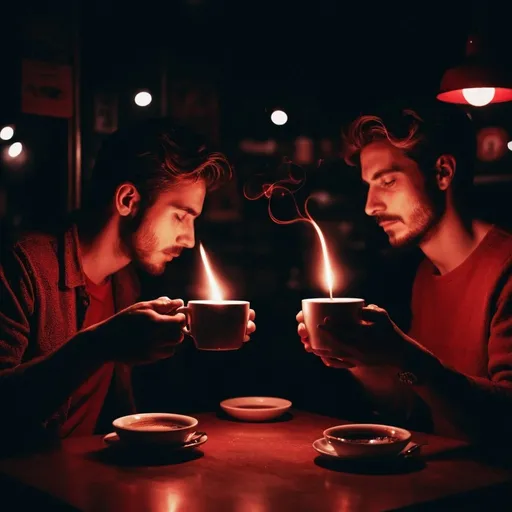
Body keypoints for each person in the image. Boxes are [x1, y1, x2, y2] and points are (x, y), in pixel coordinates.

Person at [0, 118, 256, 447]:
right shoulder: (23, 266)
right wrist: (98, 344)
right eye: (180, 215)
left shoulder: (125, 282)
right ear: (127, 200)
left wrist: (194, 330)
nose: (190, 239)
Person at [296, 102, 512, 443]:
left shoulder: (506, 271)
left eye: (387, 181)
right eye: (369, 185)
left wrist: (404, 354)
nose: (370, 205)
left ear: (442, 173)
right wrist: (360, 359)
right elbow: (416, 408)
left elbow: (505, 421)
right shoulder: (426, 276)